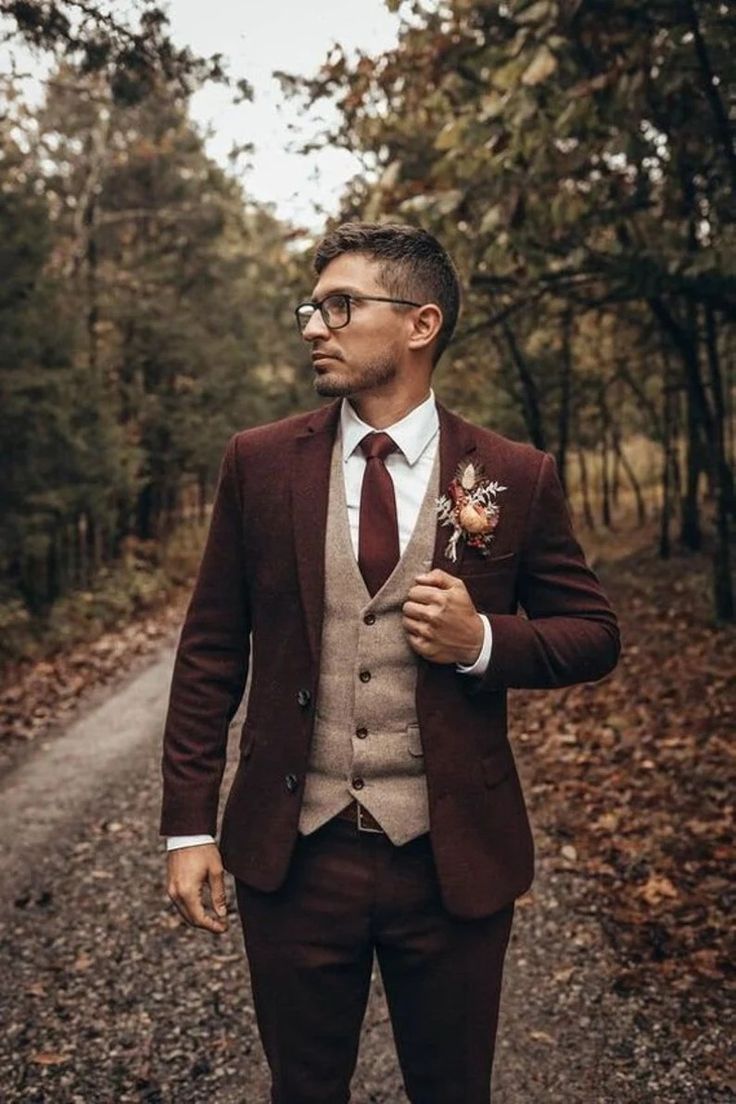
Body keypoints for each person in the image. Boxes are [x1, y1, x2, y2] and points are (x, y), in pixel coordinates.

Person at [161, 222, 620, 1103]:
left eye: (340, 306)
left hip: (450, 857)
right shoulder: (259, 463)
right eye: (311, 306)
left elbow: (593, 632)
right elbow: (211, 650)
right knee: (303, 1087)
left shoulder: (514, 474)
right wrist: (189, 828)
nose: (312, 326)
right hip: (295, 855)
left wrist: (482, 640)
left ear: (420, 323)